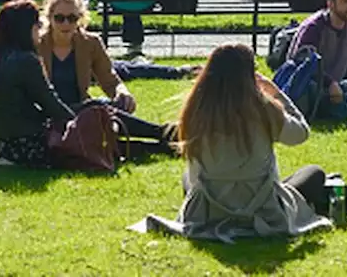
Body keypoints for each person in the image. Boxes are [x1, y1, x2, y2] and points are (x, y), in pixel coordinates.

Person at [132, 43, 333, 242]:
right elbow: (301, 133)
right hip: (262, 206)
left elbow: (194, 178)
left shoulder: (196, 111)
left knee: (188, 177)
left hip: (209, 210)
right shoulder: (266, 109)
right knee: (314, 174)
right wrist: (276, 93)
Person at [37, 0, 182, 150]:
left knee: (105, 114)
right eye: (59, 18)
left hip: (82, 109)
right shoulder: (37, 45)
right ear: (49, 17)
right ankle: (163, 133)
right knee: (99, 109)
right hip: (50, 114)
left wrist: (122, 92)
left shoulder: (90, 43)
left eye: (72, 18)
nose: (66, 24)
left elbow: (109, 79)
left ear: (80, 18)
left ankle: (165, 145)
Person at [0, 0, 75, 167]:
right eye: (37, 25)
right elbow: (51, 104)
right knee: (96, 109)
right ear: (26, 29)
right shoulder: (26, 60)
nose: (40, 30)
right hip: (24, 146)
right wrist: (77, 123)